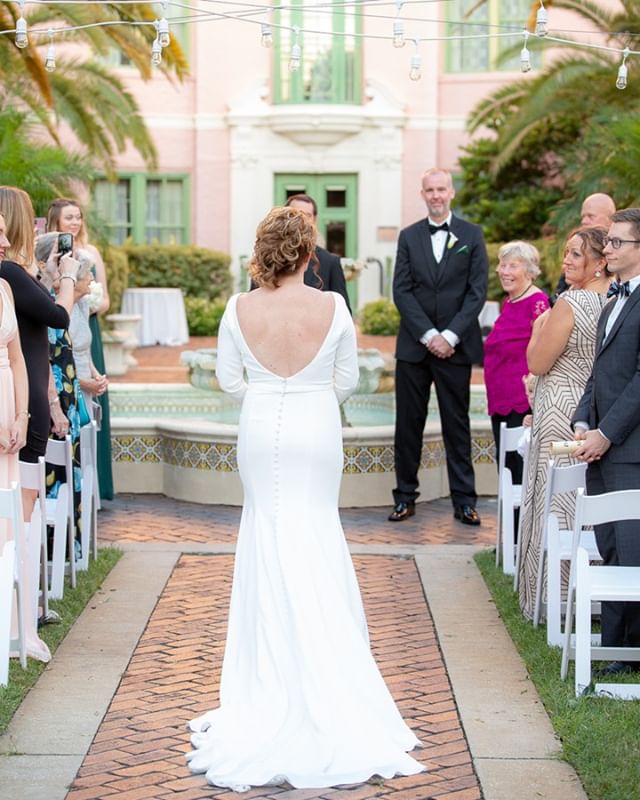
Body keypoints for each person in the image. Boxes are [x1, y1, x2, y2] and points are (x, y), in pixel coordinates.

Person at [185, 207, 424, 791]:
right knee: (316, 534)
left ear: (264, 250)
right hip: (318, 430)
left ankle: (269, 688)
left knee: (267, 535)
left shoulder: (239, 308)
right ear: (308, 253)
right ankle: (332, 677)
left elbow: (229, 381)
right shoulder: (334, 306)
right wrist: (307, 389)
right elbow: (345, 381)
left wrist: (272, 390)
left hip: (261, 426)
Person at [517, 226, 610, 620]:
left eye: (576, 254)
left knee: (553, 501)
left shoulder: (571, 301)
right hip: (594, 408)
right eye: (567, 253)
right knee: (584, 501)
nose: (566, 260)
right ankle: (593, 593)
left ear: (599, 262)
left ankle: (550, 596)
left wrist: (538, 330)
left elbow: (537, 363)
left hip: (559, 408)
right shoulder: (615, 300)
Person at [389, 168, 488, 524]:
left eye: (441, 189)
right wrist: (429, 335)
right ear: (422, 193)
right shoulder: (408, 237)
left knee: (456, 425)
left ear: (451, 193)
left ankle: (464, 500)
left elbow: (477, 292)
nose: (435, 195)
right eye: (429, 189)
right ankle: (404, 497)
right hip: (414, 349)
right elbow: (401, 290)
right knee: (408, 425)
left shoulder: (471, 235)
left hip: (455, 348)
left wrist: (449, 336)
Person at [573, 208, 640, 675]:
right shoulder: (613, 300)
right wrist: (582, 419)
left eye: (618, 242)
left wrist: (607, 432)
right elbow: (600, 373)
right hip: (600, 443)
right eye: (610, 242)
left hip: (630, 448)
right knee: (609, 546)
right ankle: (614, 646)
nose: (609, 249)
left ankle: (627, 652)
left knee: (632, 550)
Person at [0, 186, 76, 518]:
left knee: (24, 485)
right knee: (22, 490)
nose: (35, 228)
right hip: (22, 392)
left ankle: (21, 560)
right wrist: (69, 278)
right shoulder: (9, 273)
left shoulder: (16, 273)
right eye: (29, 220)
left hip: (28, 388)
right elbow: (58, 317)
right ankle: (18, 562)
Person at [0, 212, 51, 664]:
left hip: (10, 423)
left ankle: (16, 627)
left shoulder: (3, 288)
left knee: (11, 522)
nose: (4, 242)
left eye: (3, 230)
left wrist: (20, 415)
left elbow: (17, 358)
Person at [47, 198, 114, 501]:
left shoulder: (92, 254)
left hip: (86, 324)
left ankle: (91, 496)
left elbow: (105, 297)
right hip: (68, 324)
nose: (75, 222)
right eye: (68, 217)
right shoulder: (50, 259)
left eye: (78, 217)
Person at [484, 242, 549, 487]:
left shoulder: (538, 303)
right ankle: (511, 526)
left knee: (519, 475)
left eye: (513, 265)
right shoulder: (509, 302)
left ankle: (521, 526)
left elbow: (544, 354)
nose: (504, 271)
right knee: (507, 472)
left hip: (521, 406)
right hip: (500, 402)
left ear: (530, 271)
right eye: (502, 265)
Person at [284, 193, 352, 313]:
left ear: (315, 220)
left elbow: (343, 314)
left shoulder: (330, 262)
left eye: (307, 215)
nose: (301, 220)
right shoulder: (267, 258)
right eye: (295, 214)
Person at [553, 193, 616, 298]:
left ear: (610, 218)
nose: (584, 221)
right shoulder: (575, 242)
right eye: (583, 216)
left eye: (591, 216)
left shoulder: (623, 251)